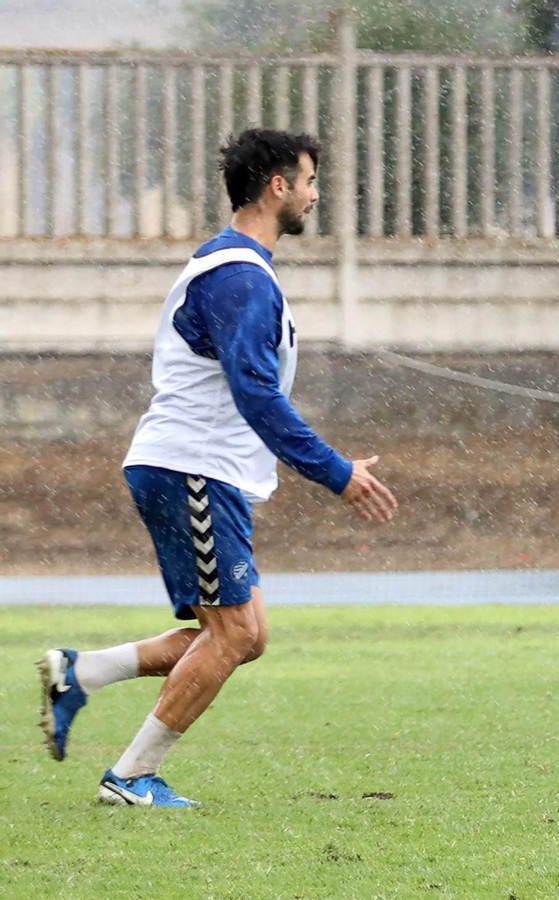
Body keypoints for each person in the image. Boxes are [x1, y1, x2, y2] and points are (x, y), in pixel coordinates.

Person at [37, 128, 398, 807]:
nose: (317, 195)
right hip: (190, 468)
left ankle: (80, 675)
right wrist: (336, 472)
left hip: (199, 468)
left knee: (245, 636)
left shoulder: (237, 266)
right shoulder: (239, 277)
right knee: (231, 634)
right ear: (278, 186)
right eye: (310, 182)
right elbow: (257, 393)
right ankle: (131, 777)